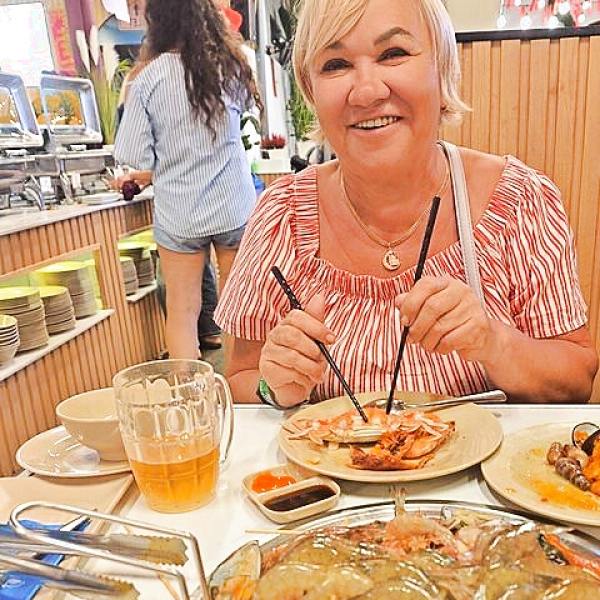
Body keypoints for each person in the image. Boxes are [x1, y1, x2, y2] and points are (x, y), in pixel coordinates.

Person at [215, 0, 598, 406]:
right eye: (336, 64)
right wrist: (274, 388)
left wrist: (493, 342)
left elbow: (577, 380)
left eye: (393, 53)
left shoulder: (519, 200)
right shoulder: (282, 215)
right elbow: (241, 378)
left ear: (442, 68)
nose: (367, 91)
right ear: (311, 90)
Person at [114, 0, 258, 359]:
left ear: (158, 22)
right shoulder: (230, 66)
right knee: (237, 307)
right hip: (233, 205)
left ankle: (191, 393)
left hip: (180, 213)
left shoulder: (147, 78)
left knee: (182, 312)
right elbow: (245, 112)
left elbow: (133, 154)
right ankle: (241, 388)